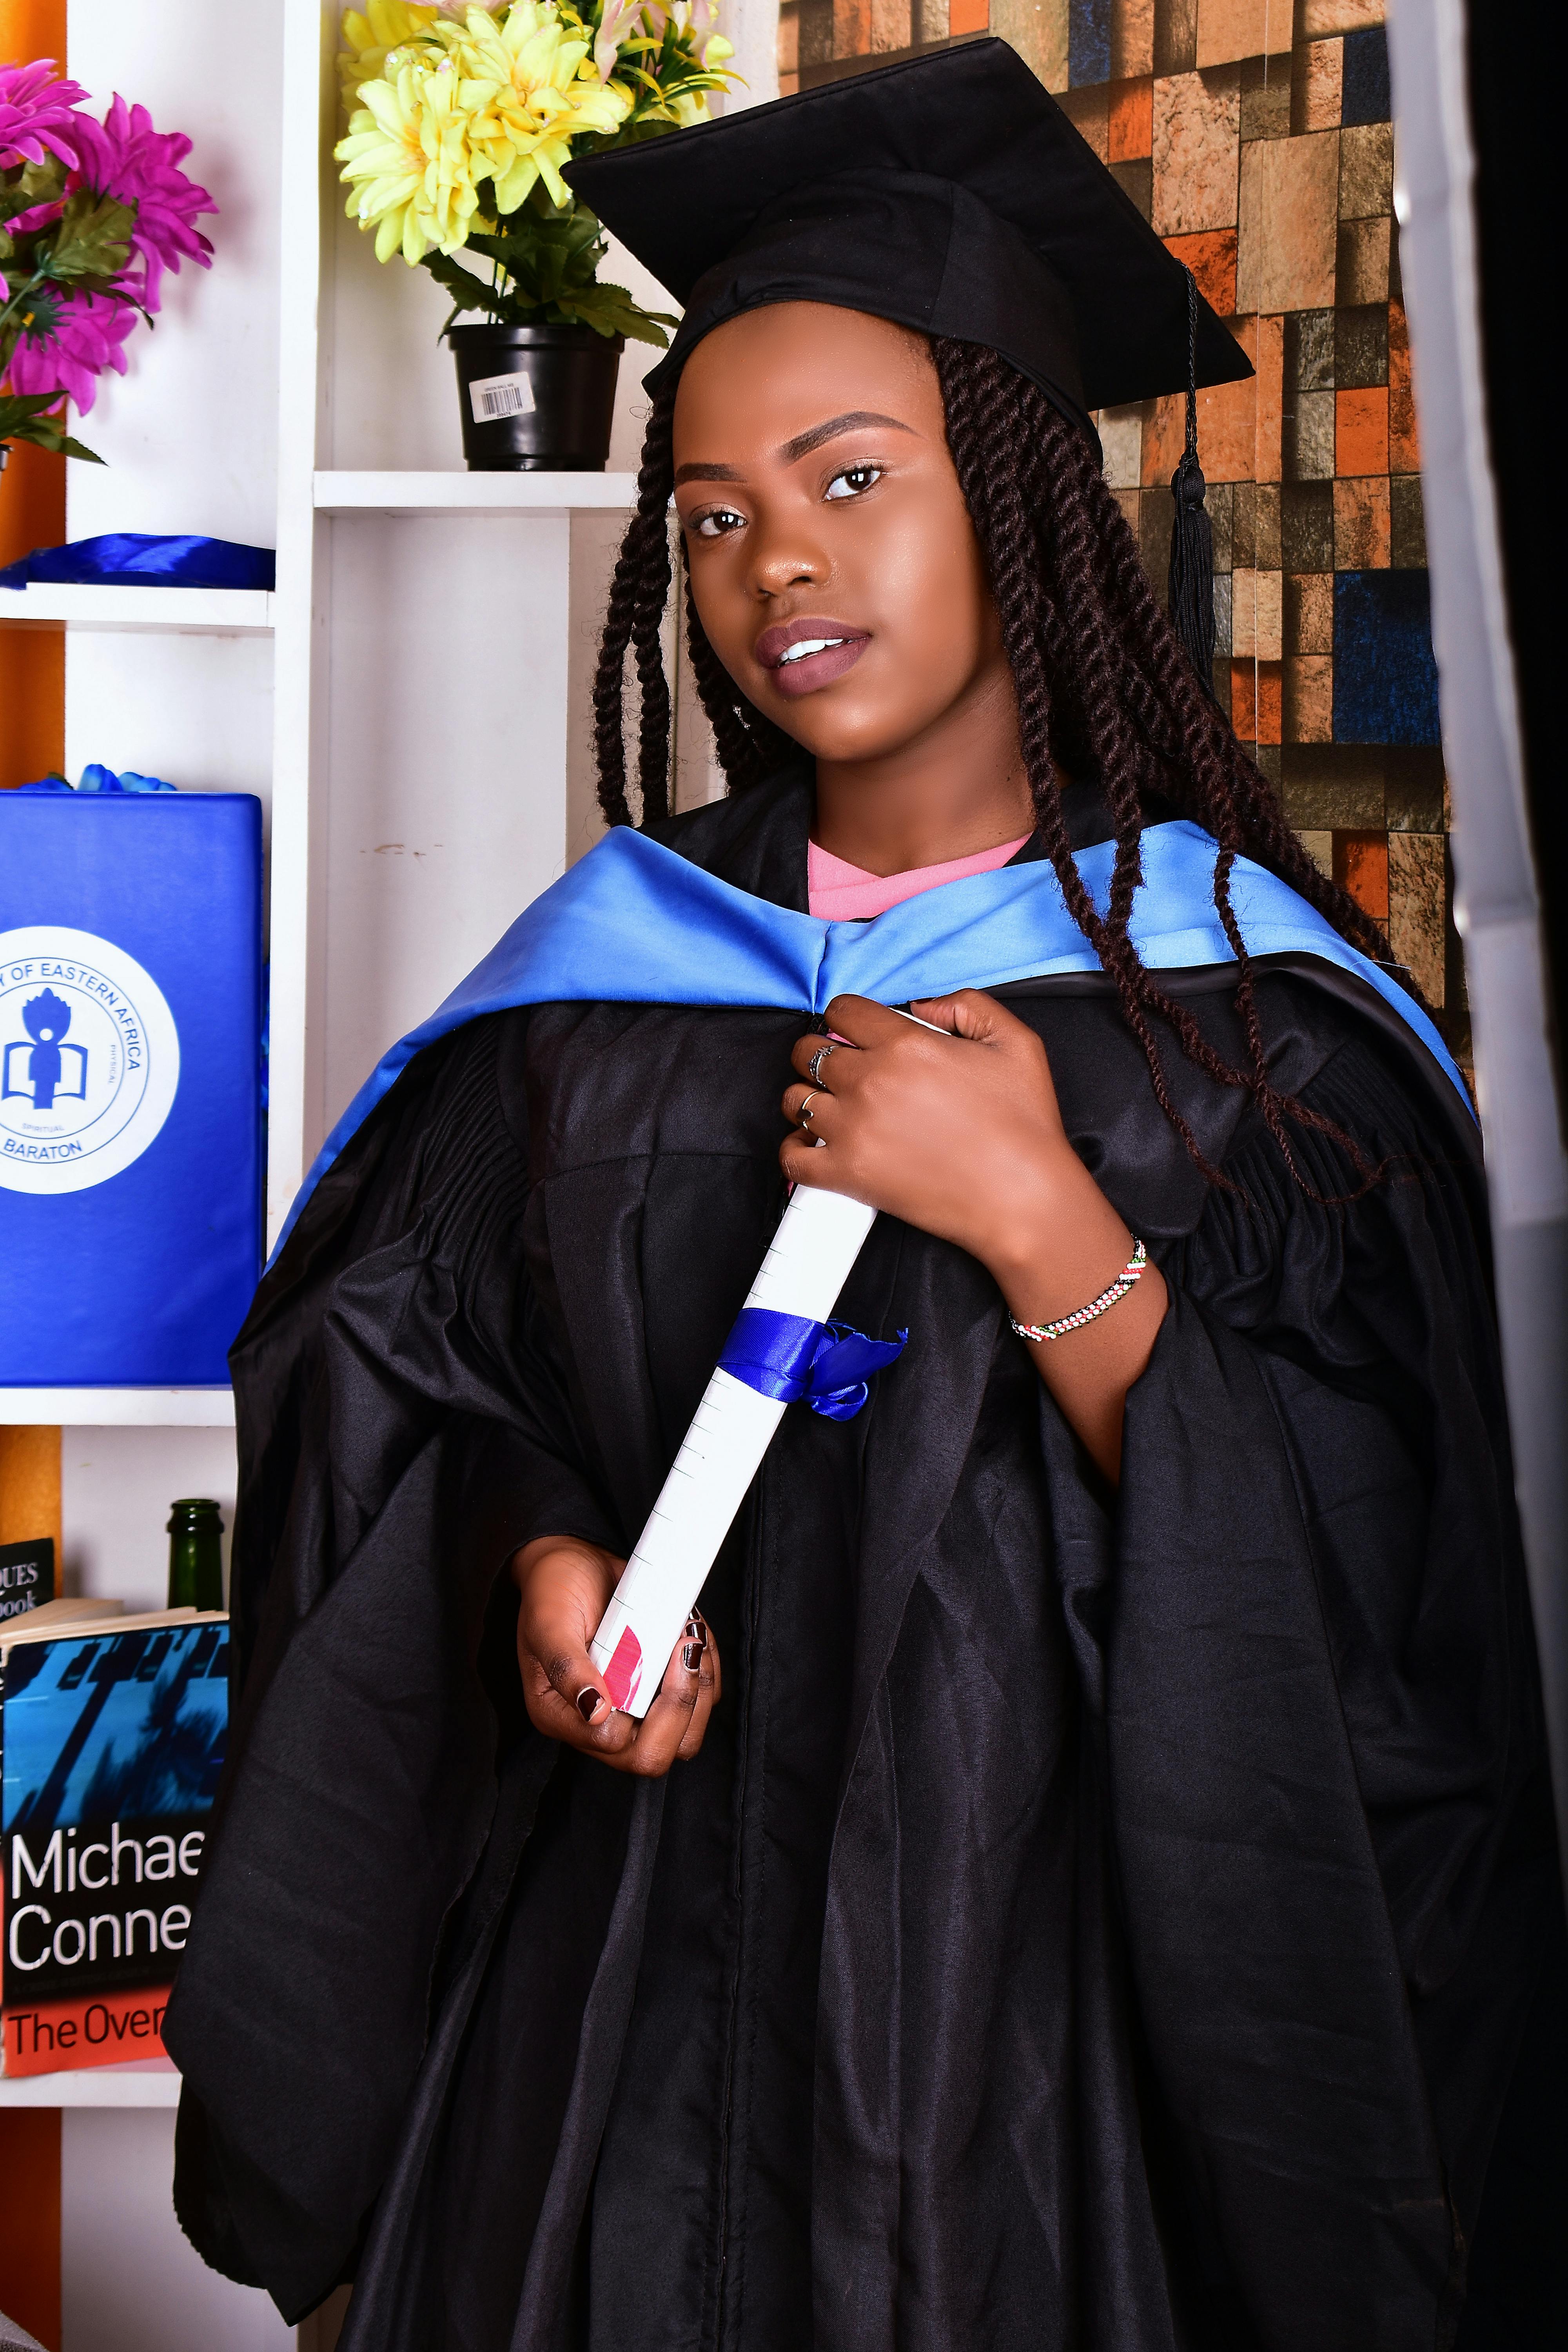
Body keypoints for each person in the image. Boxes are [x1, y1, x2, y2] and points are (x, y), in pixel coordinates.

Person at [167, 41, 1562, 2352]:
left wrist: (1054, 1236)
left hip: (1056, 2099)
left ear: (1017, 501)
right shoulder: (593, 1001)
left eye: (849, 478)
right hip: (612, 2066)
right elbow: (414, 1391)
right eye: (709, 512)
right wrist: (538, 1564)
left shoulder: (1257, 1031)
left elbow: (1398, 1626)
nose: (775, 559)